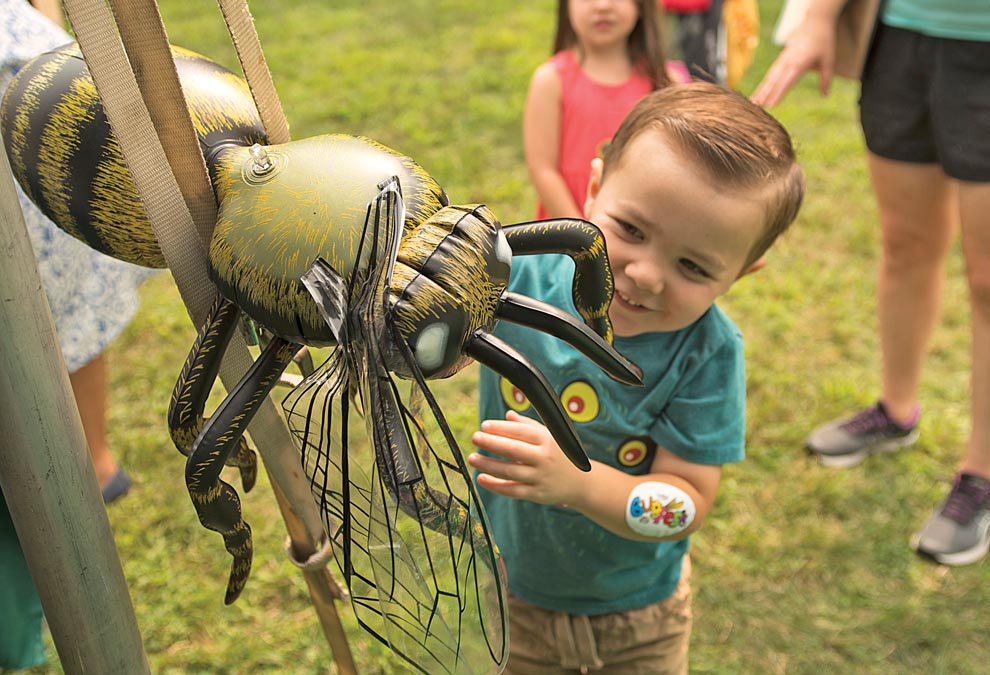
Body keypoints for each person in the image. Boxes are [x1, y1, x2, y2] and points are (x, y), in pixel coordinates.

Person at [470, 82, 804, 674]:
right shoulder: (516, 281)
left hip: (638, 620)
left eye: (694, 266)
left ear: (742, 273)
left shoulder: (705, 354)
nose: (645, 274)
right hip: (510, 590)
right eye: (630, 230)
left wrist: (579, 484)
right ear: (594, 189)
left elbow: (688, 502)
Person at [752, 1, 990, 566]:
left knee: (988, 282)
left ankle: (981, 472)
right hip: (901, 36)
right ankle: (896, 409)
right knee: (906, 246)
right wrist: (817, 18)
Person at [1, 0, 154, 668]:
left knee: (66, 319)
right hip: (40, 97)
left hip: (41, 136)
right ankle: (88, 463)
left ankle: (92, 460)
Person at [524, 0, 679, 222]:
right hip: (566, 241)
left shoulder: (665, 83)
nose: (603, 5)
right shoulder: (551, 81)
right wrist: (583, 237)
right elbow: (543, 170)